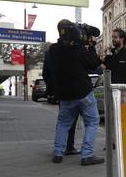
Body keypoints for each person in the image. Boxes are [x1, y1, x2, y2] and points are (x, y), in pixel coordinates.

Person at [47, 19, 104, 165]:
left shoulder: (53, 50)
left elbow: (48, 71)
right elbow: (93, 64)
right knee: (92, 121)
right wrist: (91, 46)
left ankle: (58, 153)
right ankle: (87, 155)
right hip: (83, 92)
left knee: (63, 123)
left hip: (65, 95)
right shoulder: (78, 49)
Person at [43, 50, 80, 155]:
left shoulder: (50, 52)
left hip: (61, 92)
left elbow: (46, 74)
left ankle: (59, 149)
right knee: (80, 120)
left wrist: (54, 89)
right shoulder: (72, 50)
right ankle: (69, 146)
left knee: (63, 121)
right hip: (75, 90)